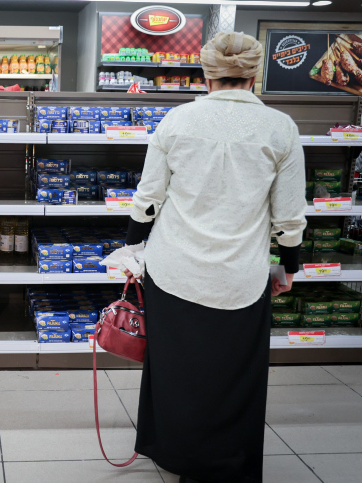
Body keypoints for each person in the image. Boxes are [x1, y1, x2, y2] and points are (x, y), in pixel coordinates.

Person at [122, 32, 307, 482]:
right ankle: (227, 462)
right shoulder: (280, 127)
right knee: (234, 372)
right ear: (255, 74)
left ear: (206, 74)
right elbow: (288, 215)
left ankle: (172, 450)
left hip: (174, 270)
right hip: (241, 276)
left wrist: (133, 245)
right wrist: (290, 266)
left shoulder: (176, 121)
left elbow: (149, 197)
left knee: (174, 367)